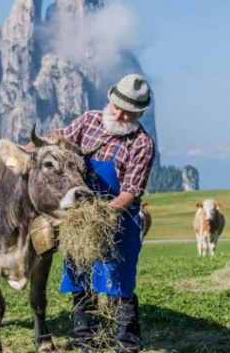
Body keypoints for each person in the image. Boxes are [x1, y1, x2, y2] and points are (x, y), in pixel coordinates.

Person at [52, 74, 155, 353]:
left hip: (117, 222)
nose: (119, 114)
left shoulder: (141, 143)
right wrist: (25, 151)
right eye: (117, 105)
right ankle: (88, 343)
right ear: (110, 99)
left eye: (128, 111)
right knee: (81, 281)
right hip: (79, 220)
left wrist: (99, 216)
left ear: (140, 112)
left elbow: (131, 192)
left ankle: (127, 346)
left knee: (118, 285)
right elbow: (58, 141)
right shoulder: (89, 120)